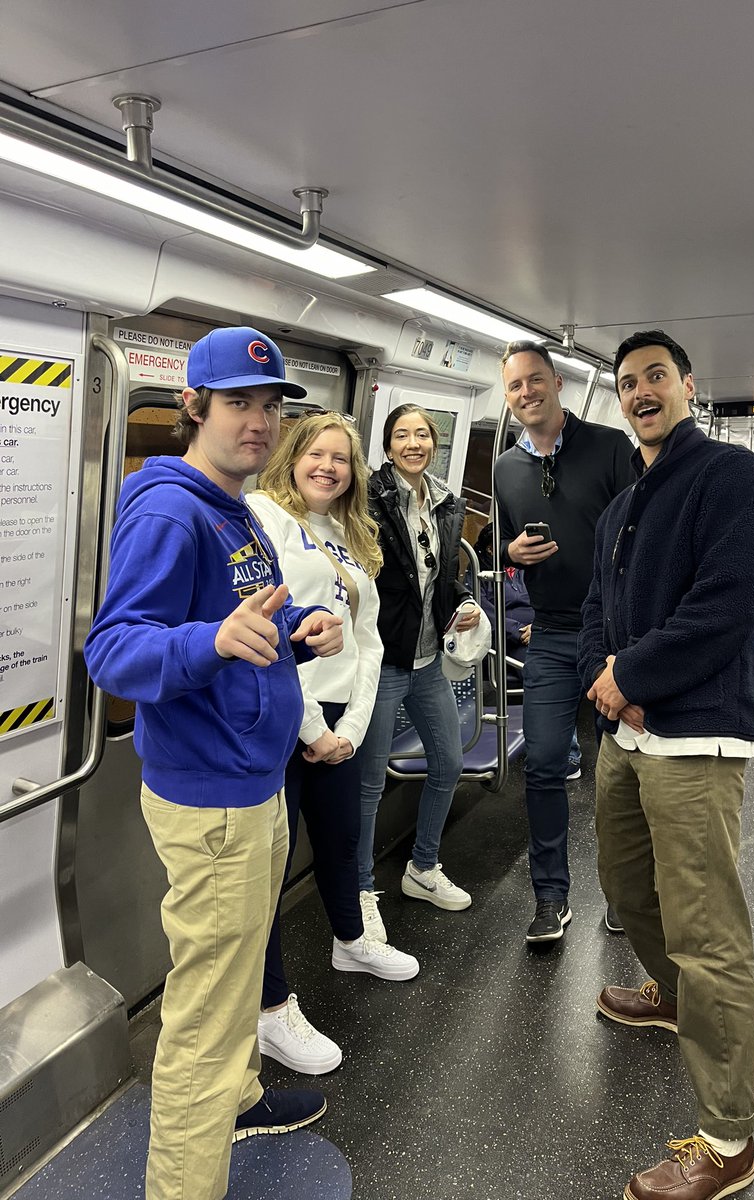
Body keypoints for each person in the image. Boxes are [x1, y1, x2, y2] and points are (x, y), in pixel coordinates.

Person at [83, 327, 344, 1200]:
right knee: (204, 1013)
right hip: (215, 802)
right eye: (239, 403)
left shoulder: (234, 507)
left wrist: (292, 636)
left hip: (251, 784)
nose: (260, 422)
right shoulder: (170, 510)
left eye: (271, 406)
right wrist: (209, 639)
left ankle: (235, 1097)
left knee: (231, 990)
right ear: (193, 407)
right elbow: (116, 652)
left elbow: (238, 636)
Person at [578, 330, 754, 1200]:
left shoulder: (734, 481)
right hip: (627, 736)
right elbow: (597, 604)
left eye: (656, 376)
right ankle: (671, 996)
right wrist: (604, 677)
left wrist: (629, 675)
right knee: (628, 891)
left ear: (688, 386)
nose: (641, 392)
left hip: (698, 737)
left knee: (708, 933)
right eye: (627, 383)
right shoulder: (626, 505)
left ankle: (728, 1139)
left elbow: (727, 606)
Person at [248, 412, 420, 1076]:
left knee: (343, 838)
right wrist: (313, 728)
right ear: (291, 457)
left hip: (338, 720)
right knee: (269, 864)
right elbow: (264, 631)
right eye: (317, 454)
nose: (328, 466)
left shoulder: (349, 533)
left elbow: (369, 640)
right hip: (281, 716)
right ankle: (269, 1010)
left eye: (341, 458)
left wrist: (348, 730)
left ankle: (350, 941)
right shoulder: (263, 517)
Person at [494, 341, 634, 942]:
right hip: (550, 635)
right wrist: (508, 554)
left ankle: (624, 894)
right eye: (514, 387)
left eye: (535, 380)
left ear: (556, 382)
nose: (526, 393)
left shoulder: (608, 448)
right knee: (546, 764)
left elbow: (643, 529)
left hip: (612, 636)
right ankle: (550, 896)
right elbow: (498, 554)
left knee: (622, 771)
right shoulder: (503, 469)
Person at [357, 403, 485, 938]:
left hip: (429, 659)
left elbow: (440, 573)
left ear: (434, 444)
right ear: (388, 447)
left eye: (423, 435)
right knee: (367, 787)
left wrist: (462, 600)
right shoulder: (367, 499)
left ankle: (422, 867)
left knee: (449, 763)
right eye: (402, 435)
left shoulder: (446, 502)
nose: (414, 443)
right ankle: (359, 890)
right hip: (385, 661)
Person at [472, 521, 581, 779]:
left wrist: (540, 623)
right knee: (547, 673)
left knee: (570, 665)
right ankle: (567, 754)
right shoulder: (481, 576)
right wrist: (519, 631)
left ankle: (565, 749)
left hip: (540, 628)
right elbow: (484, 613)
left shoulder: (524, 569)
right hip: (509, 642)